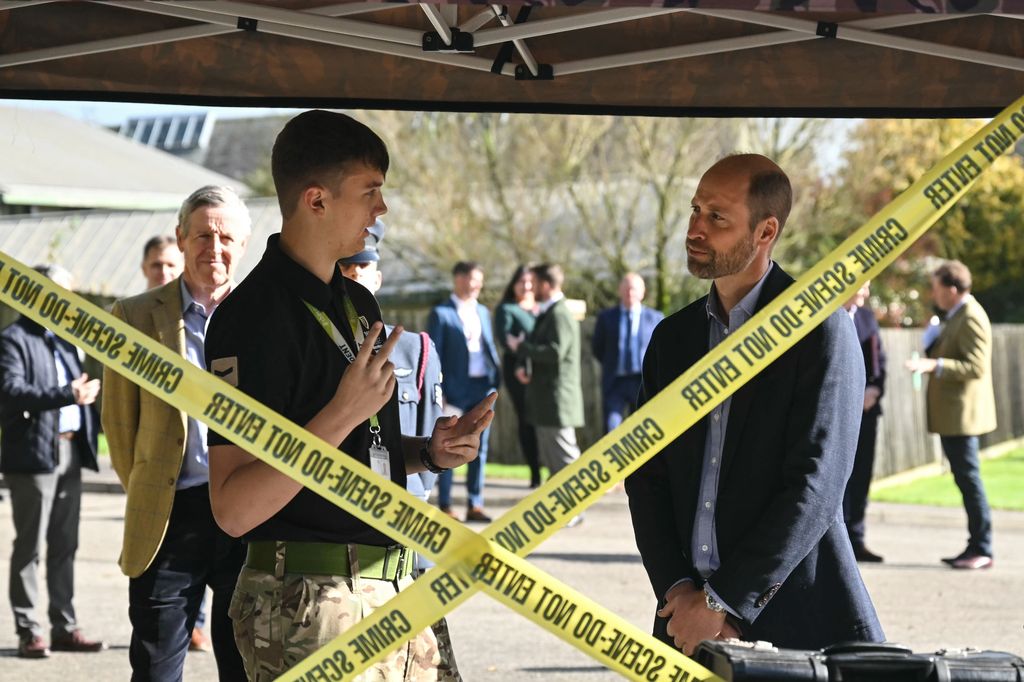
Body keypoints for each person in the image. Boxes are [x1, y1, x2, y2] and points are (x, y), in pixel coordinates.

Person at [203, 109, 495, 681]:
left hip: (394, 582)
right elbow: (233, 508)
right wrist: (340, 413)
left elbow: (363, 452)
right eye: (371, 192)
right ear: (316, 201)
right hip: (308, 602)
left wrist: (428, 453)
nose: (381, 210)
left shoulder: (357, 304)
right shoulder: (249, 321)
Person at [626, 154, 883, 654]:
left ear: (765, 233)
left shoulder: (820, 331)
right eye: (695, 210)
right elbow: (647, 475)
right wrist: (679, 591)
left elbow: (816, 485)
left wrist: (725, 603)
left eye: (716, 217)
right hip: (684, 623)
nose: (695, 228)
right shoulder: (672, 339)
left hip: (798, 627)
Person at [103, 186, 251, 681]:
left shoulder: (265, 316)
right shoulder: (134, 316)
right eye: (204, 235)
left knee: (246, 666)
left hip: (248, 513)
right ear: (181, 238)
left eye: (226, 236)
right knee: (155, 669)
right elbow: (120, 427)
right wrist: (151, 484)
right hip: (170, 515)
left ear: (243, 245)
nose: (215, 247)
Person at [338, 220, 462, 681]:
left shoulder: (415, 348)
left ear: (378, 278)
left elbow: (426, 459)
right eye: (345, 269)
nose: (354, 277)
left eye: (363, 270)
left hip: (406, 539)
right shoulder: (320, 348)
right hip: (339, 546)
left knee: (431, 668)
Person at [0, 265, 106, 659]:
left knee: (65, 545)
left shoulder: (66, 340)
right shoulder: (13, 338)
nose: (63, 301)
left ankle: (64, 626)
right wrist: (68, 393)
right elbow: (11, 392)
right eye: (54, 292)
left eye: (67, 294)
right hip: (32, 456)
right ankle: (29, 631)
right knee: (30, 547)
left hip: (69, 452)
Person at [905, 260, 996, 570]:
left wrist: (935, 365)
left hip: (963, 416)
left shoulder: (971, 317)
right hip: (953, 416)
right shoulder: (955, 316)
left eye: (937, 288)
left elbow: (976, 366)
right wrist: (933, 346)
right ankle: (976, 545)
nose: (934, 294)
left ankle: (982, 547)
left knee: (970, 480)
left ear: (953, 289)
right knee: (965, 479)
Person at [508, 263, 585, 526]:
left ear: (547, 284)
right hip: (547, 400)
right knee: (555, 461)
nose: (531, 288)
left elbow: (555, 352)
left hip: (557, 401)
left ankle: (573, 511)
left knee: (565, 459)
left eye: (536, 283)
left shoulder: (560, 314)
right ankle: (566, 509)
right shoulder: (552, 312)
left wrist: (523, 347)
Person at [427, 262, 501, 522]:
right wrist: (440, 389)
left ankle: (475, 503)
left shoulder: (482, 311)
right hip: (454, 390)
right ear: (458, 280)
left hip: (483, 387)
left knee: (480, 446)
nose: (476, 285)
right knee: (448, 445)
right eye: (471, 279)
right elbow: (433, 355)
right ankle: (446, 504)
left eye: (479, 280)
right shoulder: (441, 313)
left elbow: (488, 347)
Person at [841, 281, 887, 564]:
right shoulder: (824, 316)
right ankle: (839, 546)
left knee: (861, 476)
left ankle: (857, 540)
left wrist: (875, 390)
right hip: (836, 414)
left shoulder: (867, 318)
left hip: (865, 414)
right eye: (863, 285)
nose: (866, 293)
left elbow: (879, 362)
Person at [591, 273, 664, 434]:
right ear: (620, 291)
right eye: (626, 289)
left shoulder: (655, 318)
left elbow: (662, 349)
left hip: (643, 381)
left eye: (633, 289)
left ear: (642, 292)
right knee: (611, 428)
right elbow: (597, 348)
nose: (630, 293)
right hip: (615, 381)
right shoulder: (606, 318)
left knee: (642, 430)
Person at [494, 265, 541, 488]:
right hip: (517, 370)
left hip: (542, 369)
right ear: (514, 284)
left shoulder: (542, 307)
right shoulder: (507, 309)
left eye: (531, 281)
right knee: (527, 419)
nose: (527, 286)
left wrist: (524, 342)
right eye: (522, 281)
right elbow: (507, 341)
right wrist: (524, 346)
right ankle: (534, 472)